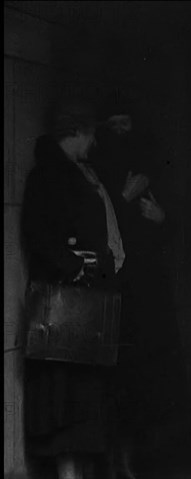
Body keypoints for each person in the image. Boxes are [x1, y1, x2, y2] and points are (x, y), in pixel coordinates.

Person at [22, 100, 125, 479]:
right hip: (65, 310)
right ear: (78, 132)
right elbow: (39, 233)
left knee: (78, 405)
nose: (92, 144)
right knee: (67, 407)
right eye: (90, 135)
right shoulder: (50, 175)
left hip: (77, 309)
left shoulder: (68, 173)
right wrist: (76, 263)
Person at [90, 97, 185, 476]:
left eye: (124, 124)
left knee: (146, 376)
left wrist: (161, 217)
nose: (119, 134)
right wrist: (122, 199)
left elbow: (172, 220)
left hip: (148, 288)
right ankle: (113, 459)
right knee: (115, 377)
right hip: (114, 287)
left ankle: (134, 457)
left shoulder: (151, 164)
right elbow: (94, 220)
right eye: (111, 126)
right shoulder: (97, 167)